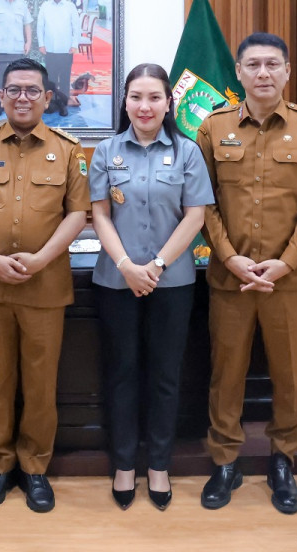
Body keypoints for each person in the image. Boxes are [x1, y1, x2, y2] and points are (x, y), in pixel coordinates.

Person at [194, 31, 297, 515]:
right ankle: (225, 461)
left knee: (289, 376)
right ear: (238, 72)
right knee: (226, 374)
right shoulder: (213, 128)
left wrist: (286, 261)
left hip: (287, 281)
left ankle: (283, 459)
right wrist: (229, 257)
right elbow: (202, 201)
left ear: (287, 71)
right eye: (253, 65)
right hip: (229, 279)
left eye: (273, 64)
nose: (263, 73)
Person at [0, 57, 90, 513]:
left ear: (48, 97)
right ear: (1, 95)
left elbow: (78, 212)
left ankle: (34, 467)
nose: (23, 98)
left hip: (44, 286)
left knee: (41, 382)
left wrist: (42, 258)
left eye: (32, 90)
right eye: (14, 90)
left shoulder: (68, 150)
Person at [89, 63, 213, 511]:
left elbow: (195, 216)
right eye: (136, 97)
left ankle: (158, 464)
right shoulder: (105, 151)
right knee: (121, 373)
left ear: (168, 102)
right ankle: (124, 464)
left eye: (154, 97)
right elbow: (99, 214)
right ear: (125, 102)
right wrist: (126, 265)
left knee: (165, 374)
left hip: (172, 282)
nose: (145, 106)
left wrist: (156, 265)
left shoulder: (187, 152)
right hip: (116, 281)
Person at [36, 0, 81, 99]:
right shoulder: (45, 6)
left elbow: (76, 27)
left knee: (65, 78)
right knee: (51, 78)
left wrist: (74, 45)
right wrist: (41, 44)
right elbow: (40, 26)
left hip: (66, 49)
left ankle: (64, 102)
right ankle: (51, 102)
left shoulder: (70, 6)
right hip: (49, 49)